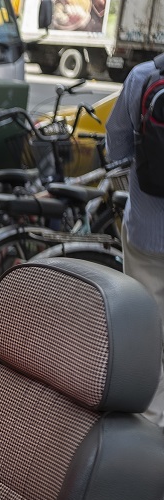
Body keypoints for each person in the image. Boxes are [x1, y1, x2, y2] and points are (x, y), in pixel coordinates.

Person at [106, 59, 164, 429]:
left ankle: (153, 425)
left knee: (149, 334)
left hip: (147, 230)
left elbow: (117, 140)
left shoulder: (144, 75)